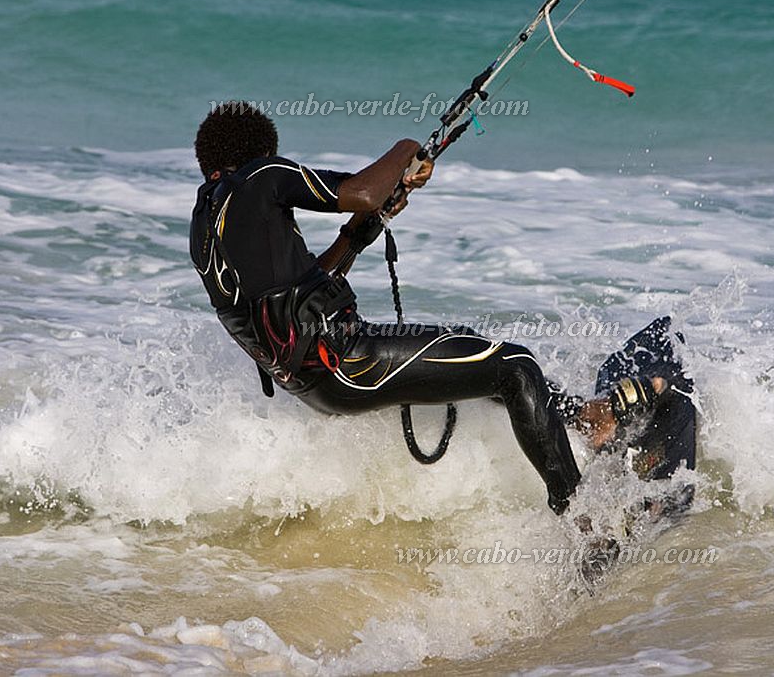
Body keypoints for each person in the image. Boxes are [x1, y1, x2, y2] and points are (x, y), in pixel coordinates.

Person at [188, 102, 666, 515]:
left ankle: (584, 417)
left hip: (316, 382)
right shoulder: (264, 175)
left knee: (475, 348)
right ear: (261, 153)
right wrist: (406, 149)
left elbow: (302, 289)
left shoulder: (205, 227)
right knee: (517, 367)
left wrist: (361, 229)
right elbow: (362, 189)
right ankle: (578, 513)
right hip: (348, 358)